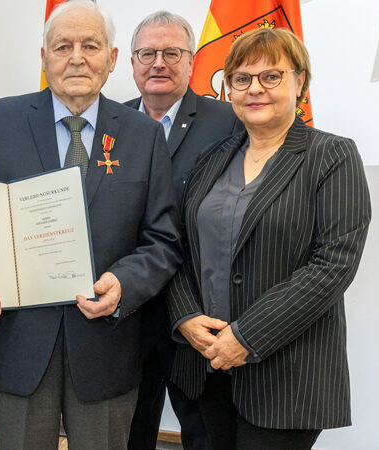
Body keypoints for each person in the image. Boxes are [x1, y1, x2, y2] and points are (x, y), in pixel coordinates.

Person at [0, 1, 181, 448]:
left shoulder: (143, 134)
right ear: (43, 57)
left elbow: (164, 239)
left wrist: (123, 284)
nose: (76, 57)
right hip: (15, 341)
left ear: (112, 59)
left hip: (107, 347)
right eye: (63, 46)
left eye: (90, 45)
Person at [166, 27, 371, 450]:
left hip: (286, 377)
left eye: (271, 76)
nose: (254, 88)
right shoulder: (212, 158)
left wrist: (246, 338)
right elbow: (179, 249)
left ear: (301, 84)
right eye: (241, 78)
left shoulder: (332, 156)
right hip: (204, 367)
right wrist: (185, 317)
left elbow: (332, 265)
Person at [123, 11, 240, 450]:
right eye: (148, 52)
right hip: (128, 311)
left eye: (172, 52)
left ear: (192, 62)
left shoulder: (228, 120)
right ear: (131, 62)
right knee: (130, 431)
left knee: (203, 433)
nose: (159, 62)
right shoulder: (111, 123)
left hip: (197, 312)